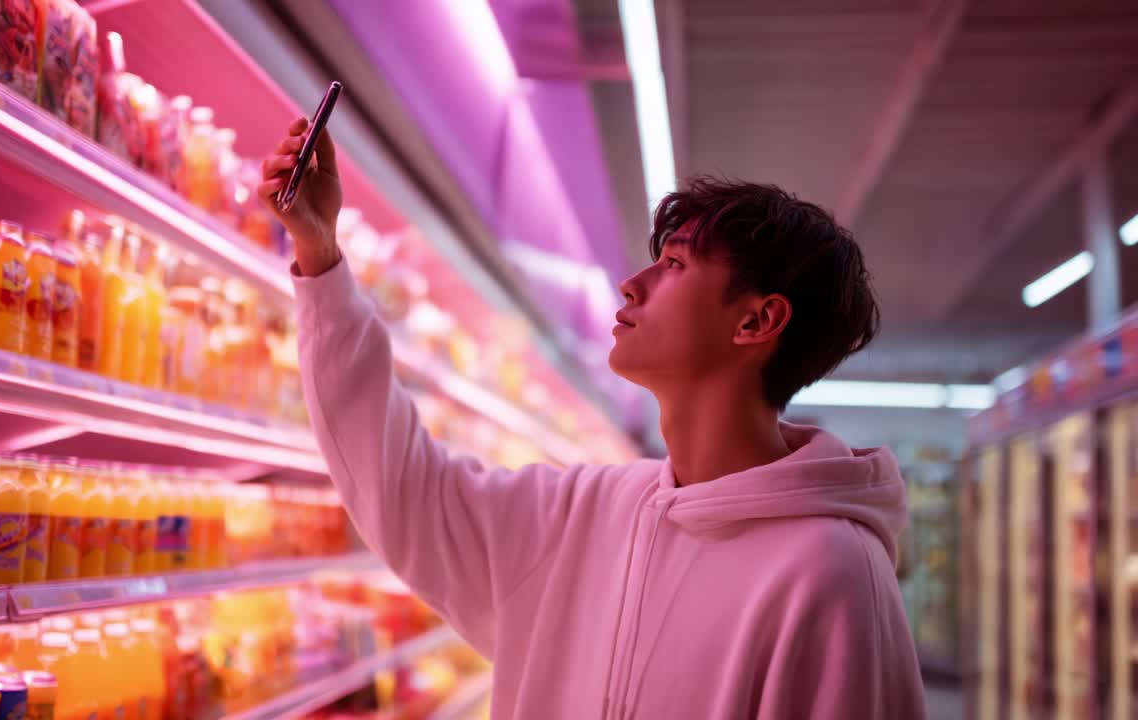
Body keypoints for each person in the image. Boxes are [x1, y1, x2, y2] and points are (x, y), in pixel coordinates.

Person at [259, 117, 926, 719]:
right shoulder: (586, 512)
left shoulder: (834, 575)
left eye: (674, 264)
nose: (631, 283)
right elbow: (401, 487)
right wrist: (321, 257)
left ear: (755, 321)